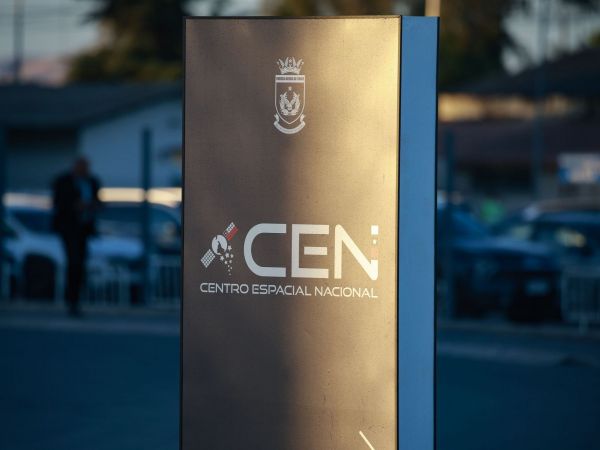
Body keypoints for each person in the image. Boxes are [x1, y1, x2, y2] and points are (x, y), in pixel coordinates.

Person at [52, 157, 101, 316]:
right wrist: (75, 205)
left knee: (80, 263)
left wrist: (92, 205)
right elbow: (58, 202)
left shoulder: (92, 181)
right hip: (69, 228)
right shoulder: (63, 181)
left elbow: (98, 201)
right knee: (74, 262)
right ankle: (71, 300)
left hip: (84, 229)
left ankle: (76, 298)